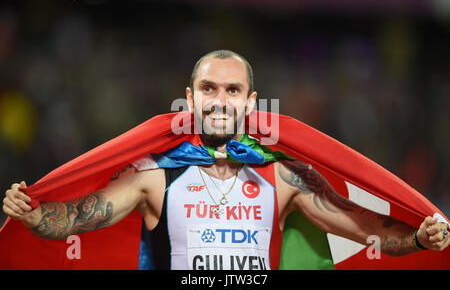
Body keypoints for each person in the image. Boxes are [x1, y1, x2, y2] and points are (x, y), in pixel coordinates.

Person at [2, 50, 449, 270]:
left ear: (250, 102)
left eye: (232, 91)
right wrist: (33, 212)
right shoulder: (154, 175)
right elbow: (77, 219)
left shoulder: (285, 174)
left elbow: (363, 228)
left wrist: (420, 239)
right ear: (191, 97)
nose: (220, 100)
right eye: (209, 89)